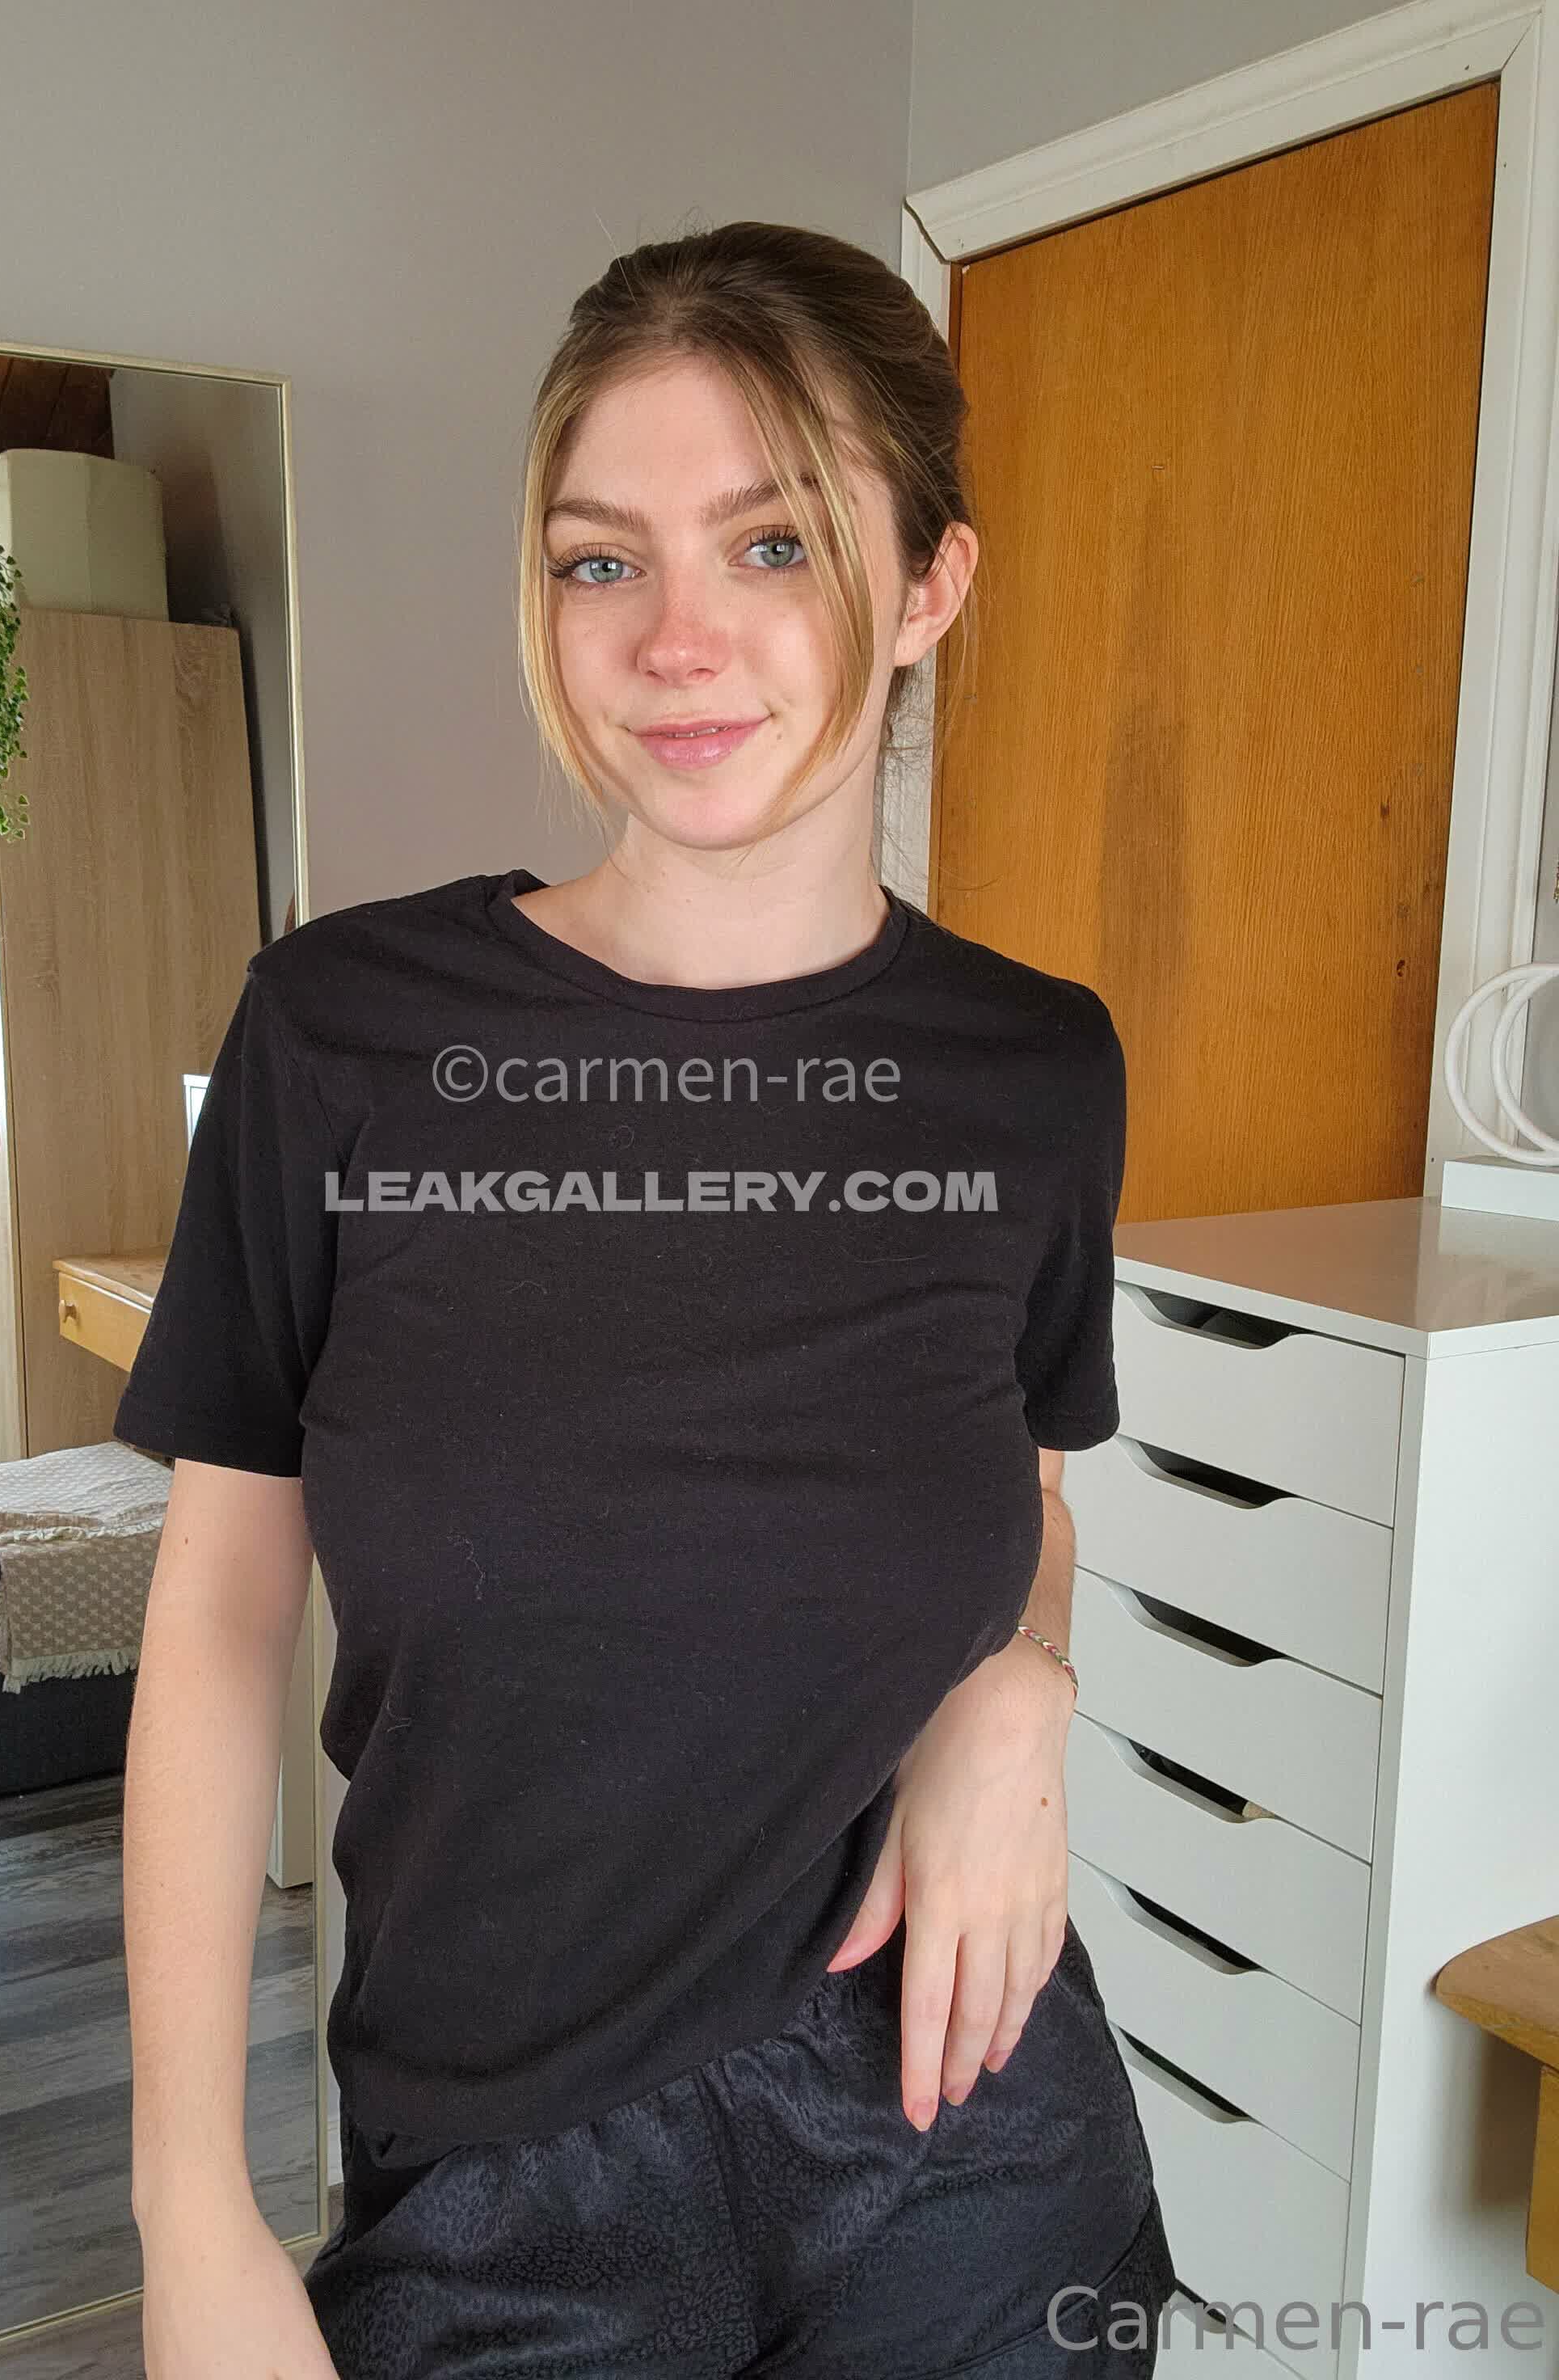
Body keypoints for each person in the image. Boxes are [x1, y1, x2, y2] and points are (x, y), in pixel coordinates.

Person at [121, 219, 1177, 2378]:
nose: (675, 640)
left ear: (930, 585)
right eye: (602, 561)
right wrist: (190, 2213)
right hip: (506, 2164)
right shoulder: (345, 1034)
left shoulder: (1035, 1065)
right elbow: (219, 1620)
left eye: (773, 544)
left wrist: (1017, 1689)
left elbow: (1027, 1487)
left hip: (955, 2114)